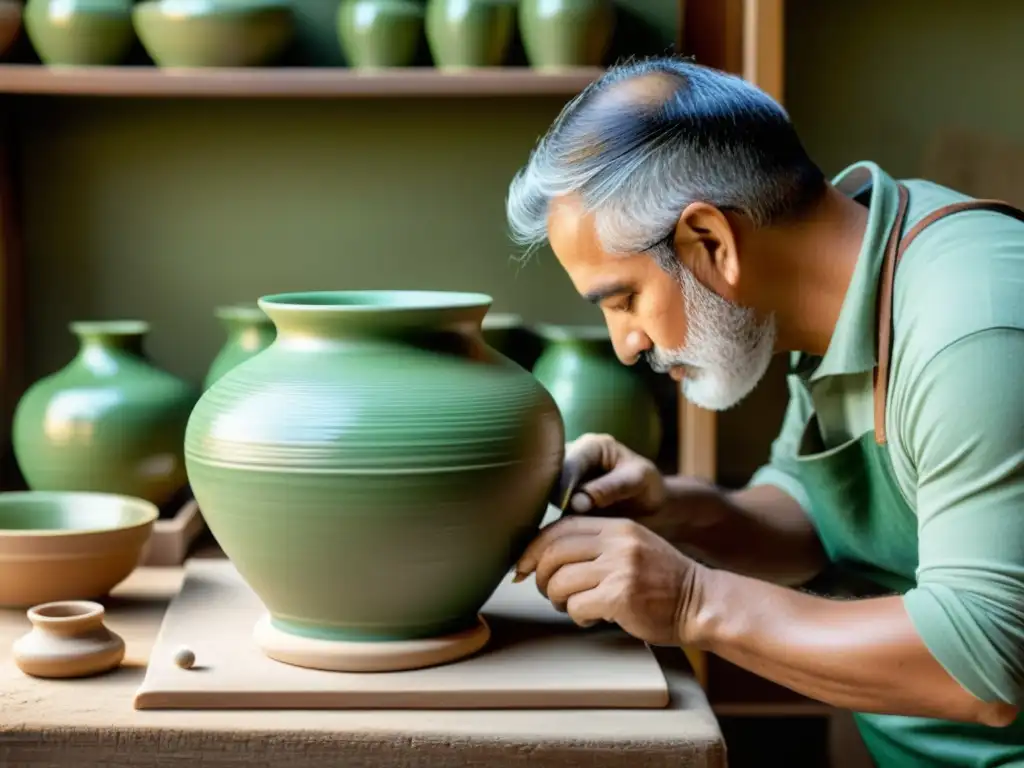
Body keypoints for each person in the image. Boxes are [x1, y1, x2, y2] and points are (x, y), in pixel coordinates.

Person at [504, 56, 1024, 768]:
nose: (627, 346)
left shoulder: (973, 327)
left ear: (711, 241)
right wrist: (677, 511)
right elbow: (816, 516)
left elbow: (987, 663)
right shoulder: (837, 291)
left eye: (623, 298)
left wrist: (691, 601)